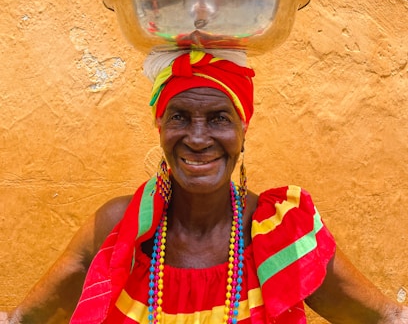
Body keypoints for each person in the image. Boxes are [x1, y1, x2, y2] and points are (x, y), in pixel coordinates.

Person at [3, 50, 408, 324]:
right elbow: (22, 319)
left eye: (218, 118)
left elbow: (385, 317)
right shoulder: (120, 229)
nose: (198, 138)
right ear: (160, 127)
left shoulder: (279, 233)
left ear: (243, 128)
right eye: (180, 117)